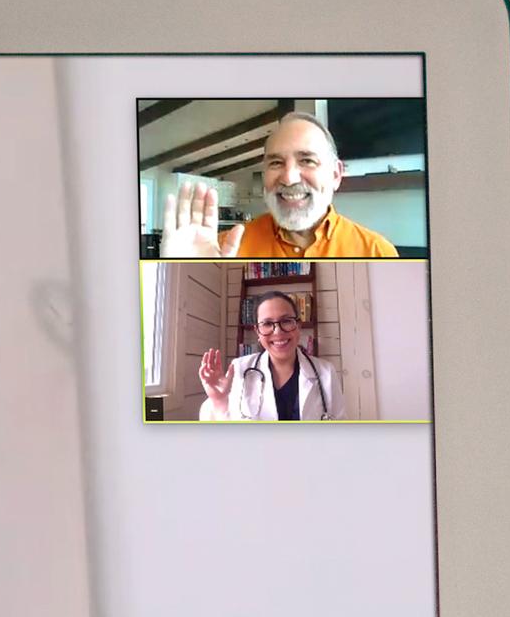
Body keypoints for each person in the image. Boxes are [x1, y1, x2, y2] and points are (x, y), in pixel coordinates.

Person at [161, 111, 398, 260]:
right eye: (276, 163)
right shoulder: (223, 248)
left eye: (307, 160)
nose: (289, 178)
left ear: (335, 175)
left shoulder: (378, 252)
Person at [197, 292, 339, 421]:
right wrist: (219, 401)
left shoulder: (325, 372)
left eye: (286, 321)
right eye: (267, 324)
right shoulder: (239, 370)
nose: (277, 331)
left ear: (298, 326)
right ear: (257, 331)